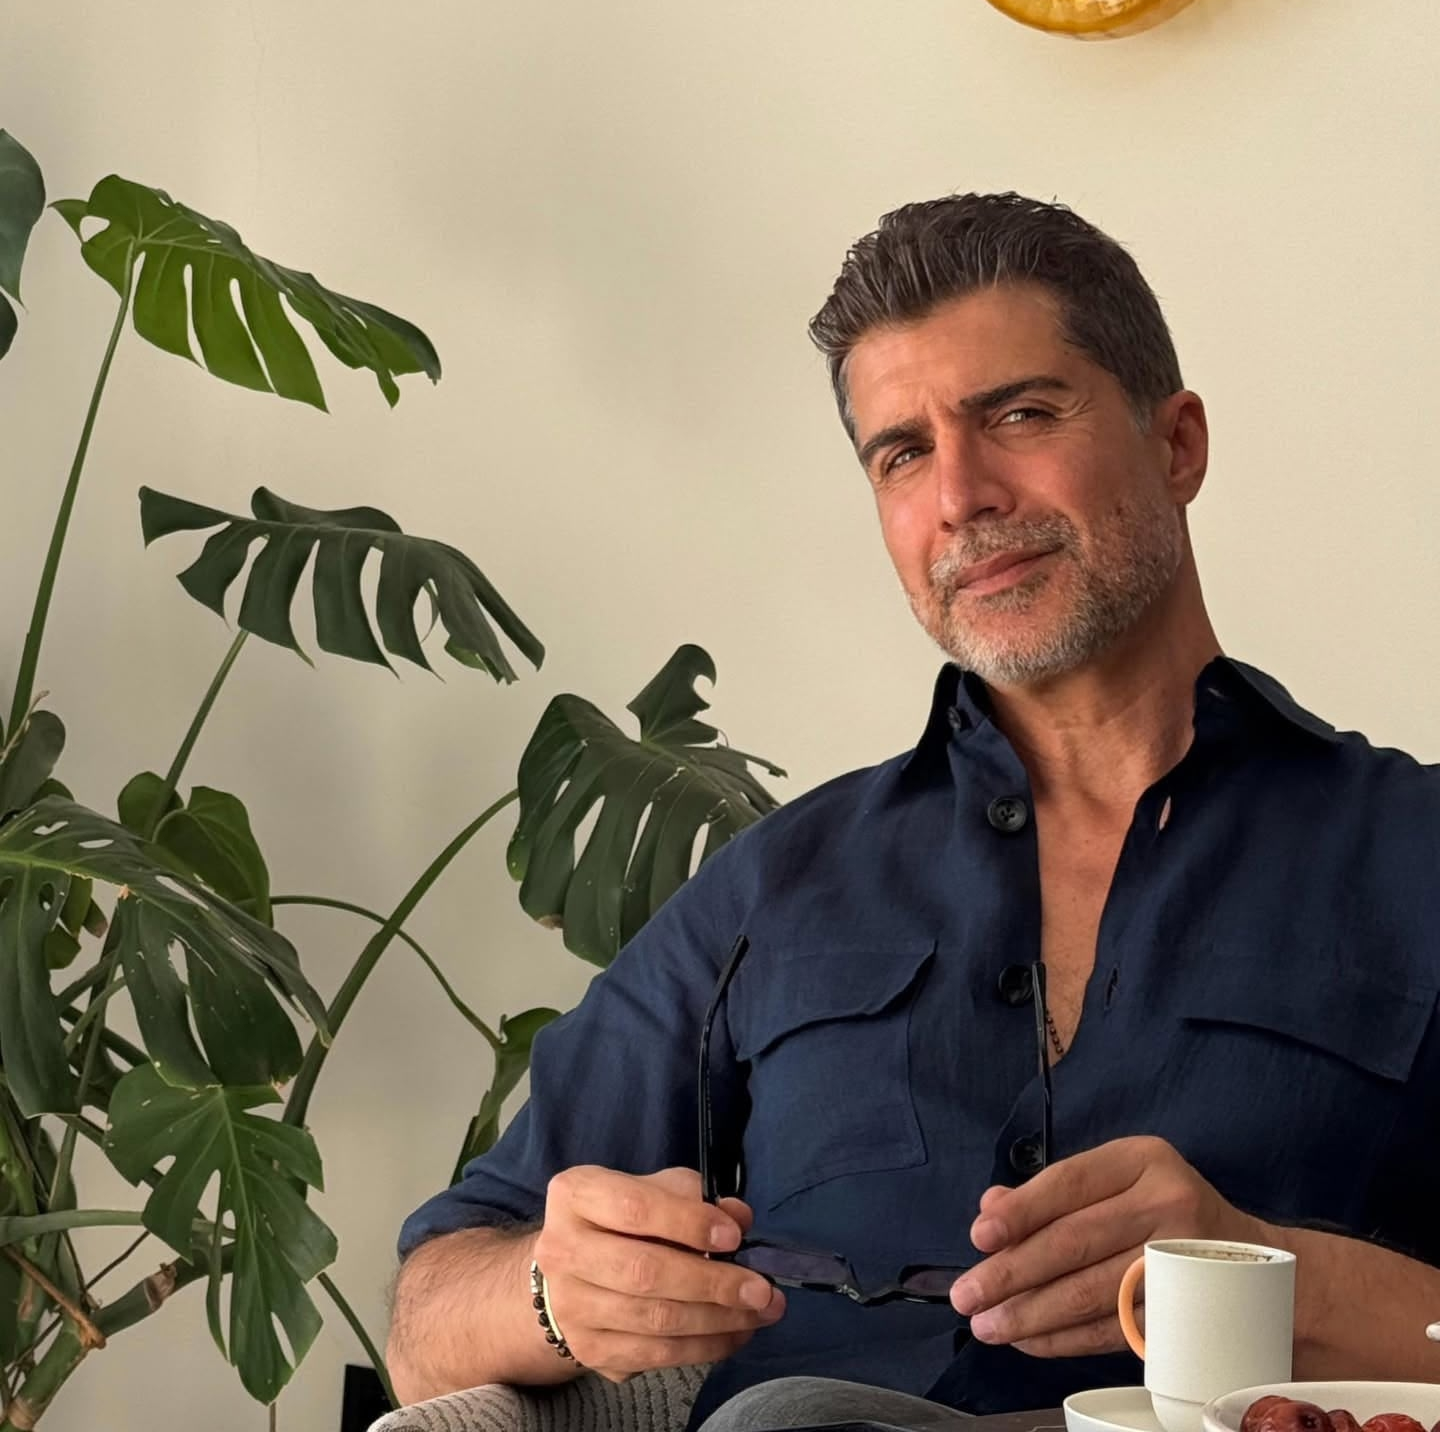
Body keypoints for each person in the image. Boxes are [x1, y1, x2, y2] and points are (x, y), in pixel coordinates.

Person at [384, 193, 1440, 1431]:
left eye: (1020, 415)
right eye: (902, 454)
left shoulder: (1413, 854)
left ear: (1178, 445)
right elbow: (423, 1328)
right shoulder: (777, 887)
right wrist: (556, 1294)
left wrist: (1265, 1276)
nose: (962, 495)